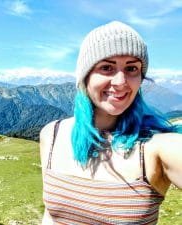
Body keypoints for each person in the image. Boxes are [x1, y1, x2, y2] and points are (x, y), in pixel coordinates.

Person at [39, 21, 182, 225]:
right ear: (85, 76)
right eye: (106, 67)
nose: (121, 81)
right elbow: (50, 216)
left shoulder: (155, 148)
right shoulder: (52, 135)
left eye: (132, 68)